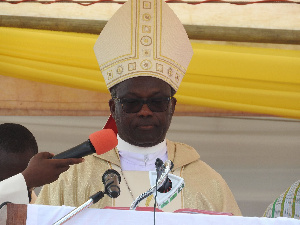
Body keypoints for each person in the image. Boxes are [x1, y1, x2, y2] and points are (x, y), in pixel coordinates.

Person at [36, 0, 242, 215]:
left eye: (157, 101)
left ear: (172, 106)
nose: (145, 111)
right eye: (132, 102)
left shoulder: (206, 182)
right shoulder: (74, 178)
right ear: (113, 108)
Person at [0, 123, 84, 205]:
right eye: (4, 182)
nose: (14, 193)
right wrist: (26, 180)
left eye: (27, 189)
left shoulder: (37, 208)